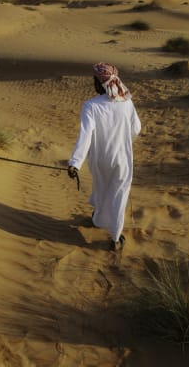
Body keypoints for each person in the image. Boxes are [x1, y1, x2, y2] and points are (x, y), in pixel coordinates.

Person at [68, 62, 141, 251]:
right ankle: (115, 238)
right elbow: (136, 129)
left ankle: (99, 219)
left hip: (100, 159)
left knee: (101, 190)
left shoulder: (90, 106)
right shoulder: (127, 102)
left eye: (94, 80)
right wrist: (125, 140)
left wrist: (75, 163)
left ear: (100, 83)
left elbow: (86, 135)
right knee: (119, 195)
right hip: (122, 157)